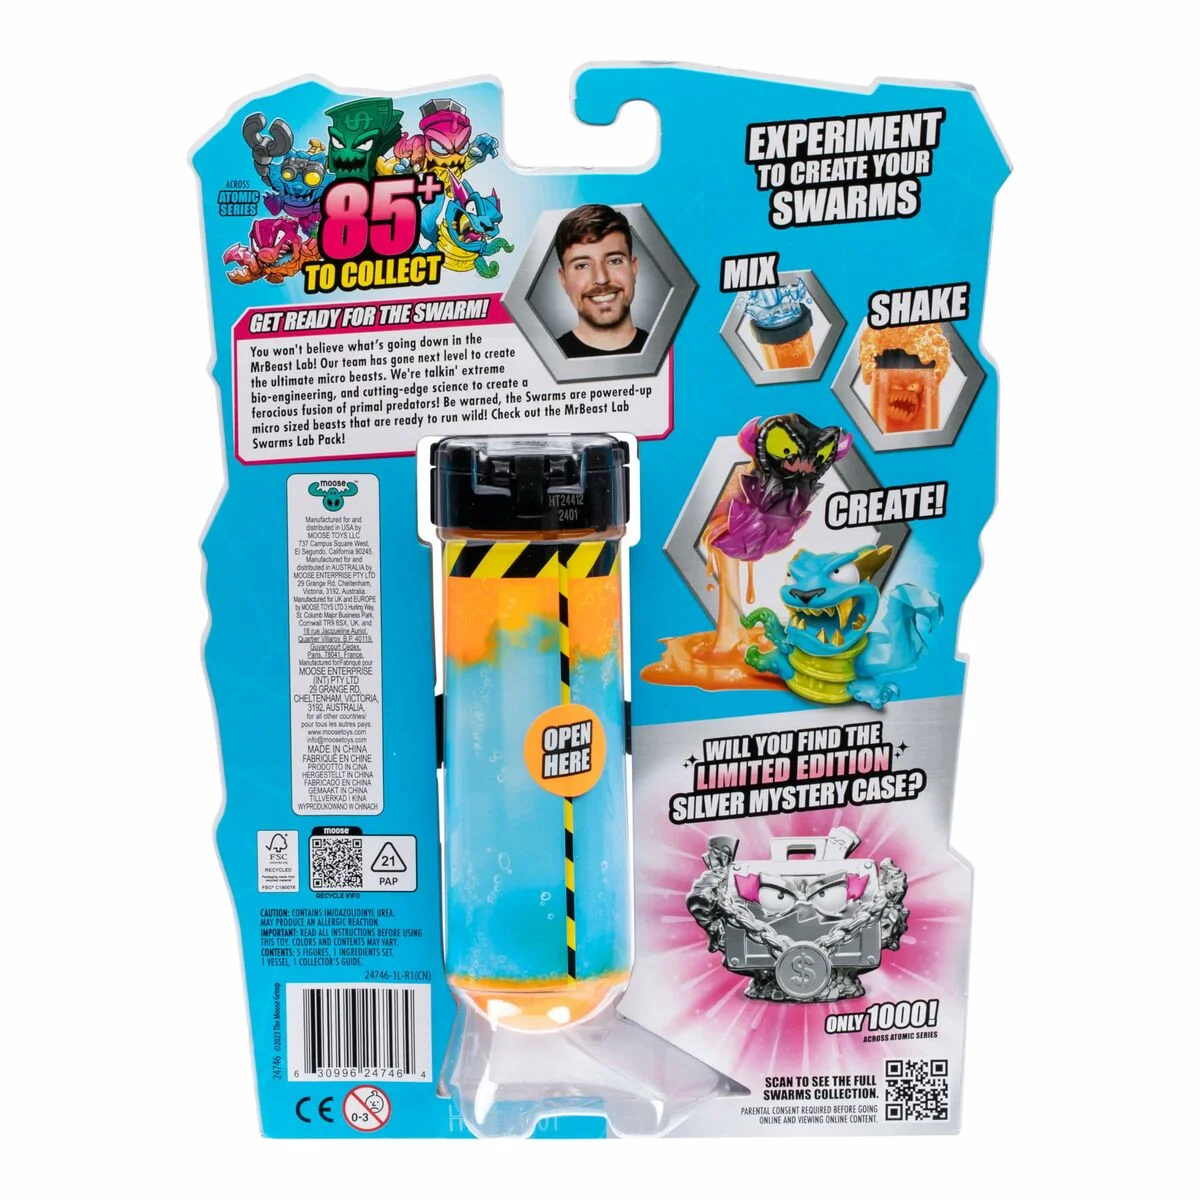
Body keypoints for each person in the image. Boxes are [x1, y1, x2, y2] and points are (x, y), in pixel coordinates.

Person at [554, 205, 649, 357]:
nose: (601, 279)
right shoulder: (543, 359)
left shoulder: (672, 350)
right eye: (582, 265)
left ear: (634, 268)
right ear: (563, 279)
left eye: (614, 261)